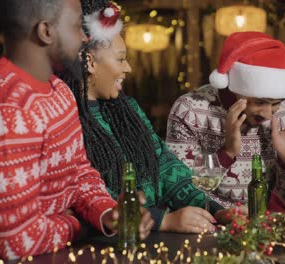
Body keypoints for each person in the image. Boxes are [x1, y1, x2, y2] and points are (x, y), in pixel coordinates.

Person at [0, 0, 153, 259]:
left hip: (53, 252)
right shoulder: (4, 108)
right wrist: (81, 225)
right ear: (45, 31)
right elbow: (16, 243)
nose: (85, 36)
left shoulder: (60, 92)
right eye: (76, 25)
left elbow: (79, 173)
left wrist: (109, 214)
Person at [63, 1, 231, 234]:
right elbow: (87, 196)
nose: (128, 68)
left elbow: (164, 166)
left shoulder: (127, 109)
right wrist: (164, 220)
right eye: (121, 59)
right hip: (111, 244)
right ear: (90, 62)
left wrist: (215, 210)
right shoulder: (64, 118)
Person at [166, 31, 285, 212]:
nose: (267, 114)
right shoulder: (190, 110)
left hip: (260, 227)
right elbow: (177, 189)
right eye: (259, 102)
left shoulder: (281, 115)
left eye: (275, 103)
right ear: (237, 87)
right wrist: (227, 152)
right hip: (206, 225)